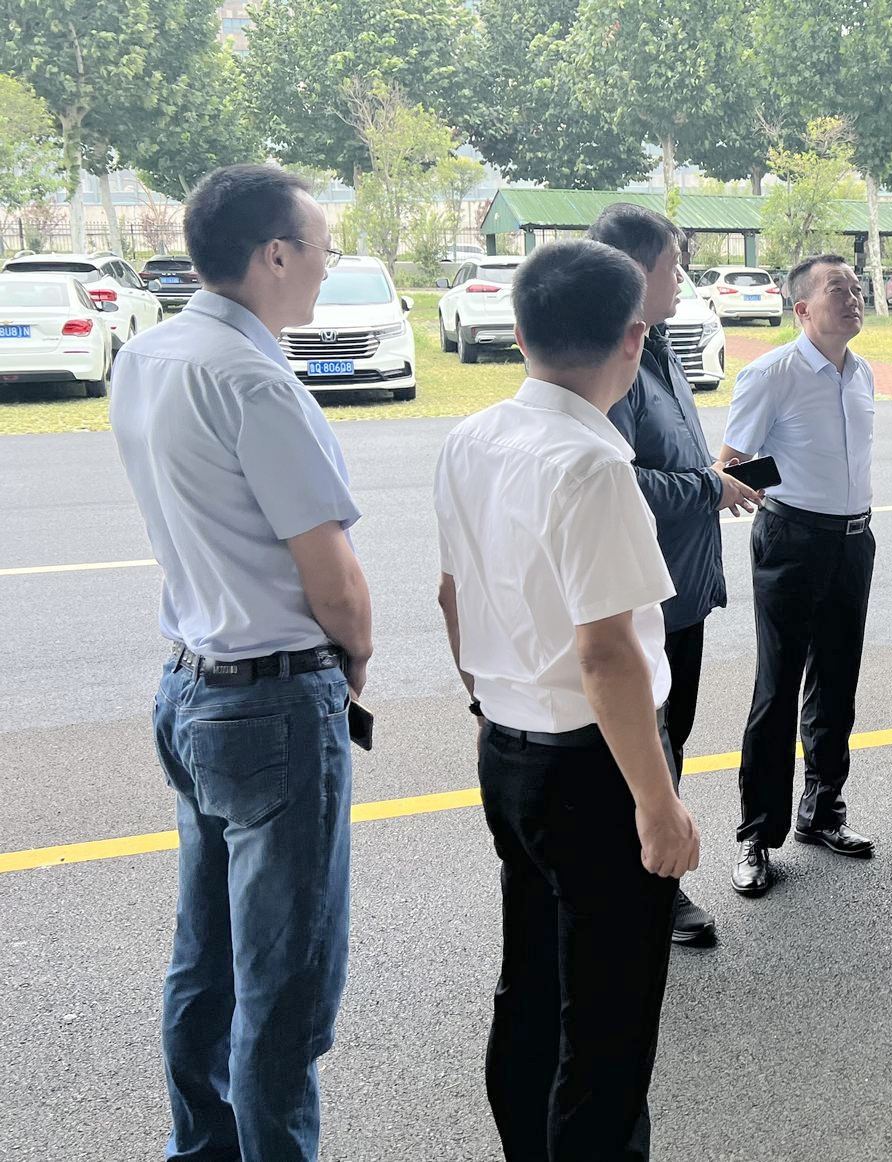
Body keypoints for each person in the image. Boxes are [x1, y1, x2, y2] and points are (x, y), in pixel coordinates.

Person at [109, 163, 372, 1162]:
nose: (326, 266)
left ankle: (202, 1148)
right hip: (274, 701)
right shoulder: (257, 381)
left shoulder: (149, 355)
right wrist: (355, 658)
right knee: (286, 985)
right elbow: (334, 581)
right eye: (321, 249)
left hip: (189, 686)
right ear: (274, 255)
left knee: (207, 956)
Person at [434, 240, 702, 1158]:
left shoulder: (470, 439)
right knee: (608, 1021)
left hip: (509, 748)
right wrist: (658, 804)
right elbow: (608, 654)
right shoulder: (593, 466)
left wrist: (488, 705)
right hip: (596, 768)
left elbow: (451, 596)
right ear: (634, 339)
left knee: (534, 986)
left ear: (519, 335)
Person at [590, 203, 761, 948]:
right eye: (674, 265)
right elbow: (615, 483)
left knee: (670, 740)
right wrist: (706, 488)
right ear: (634, 272)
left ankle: (651, 881)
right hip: (642, 600)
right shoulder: (612, 365)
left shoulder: (657, 346)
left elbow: (670, 458)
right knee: (645, 751)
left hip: (682, 591)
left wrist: (711, 478)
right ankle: (647, 892)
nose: (683, 279)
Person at [712, 254, 878, 897]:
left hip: (854, 542)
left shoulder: (860, 372)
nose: (854, 296)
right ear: (803, 308)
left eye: (857, 287)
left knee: (837, 681)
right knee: (778, 687)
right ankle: (757, 833)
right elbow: (731, 466)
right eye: (839, 288)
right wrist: (769, 483)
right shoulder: (771, 373)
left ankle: (823, 809)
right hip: (792, 541)